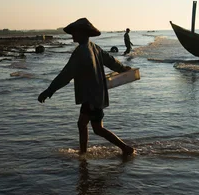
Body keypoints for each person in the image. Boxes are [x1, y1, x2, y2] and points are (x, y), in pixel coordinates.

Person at [38, 18, 135, 156]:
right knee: (86, 125)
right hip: (96, 94)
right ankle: (84, 153)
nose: (72, 35)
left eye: (75, 32)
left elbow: (66, 75)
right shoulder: (94, 47)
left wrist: (49, 91)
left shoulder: (81, 52)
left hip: (91, 97)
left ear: (83, 33)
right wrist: (123, 69)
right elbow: (111, 61)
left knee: (97, 128)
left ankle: (124, 149)